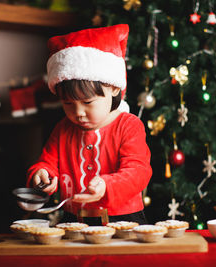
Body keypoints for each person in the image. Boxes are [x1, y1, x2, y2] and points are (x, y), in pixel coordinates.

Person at [26, 24, 152, 225]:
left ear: (113, 88)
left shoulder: (129, 126)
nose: (78, 113)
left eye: (87, 102)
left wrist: (108, 186)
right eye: (68, 104)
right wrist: (43, 173)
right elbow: (48, 162)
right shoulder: (62, 129)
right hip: (72, 219)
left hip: (122, 219)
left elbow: (138, 171)